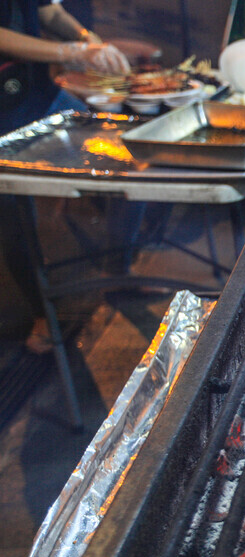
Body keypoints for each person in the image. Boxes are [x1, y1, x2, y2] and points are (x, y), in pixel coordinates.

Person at [0, 0, 128, 353]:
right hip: (2, 106)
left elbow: (47, 11)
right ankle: (43, 311)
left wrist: (89, 39)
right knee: (13, 212)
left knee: (121, 160)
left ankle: (120, 270)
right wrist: (70, 51)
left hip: (41, 94)